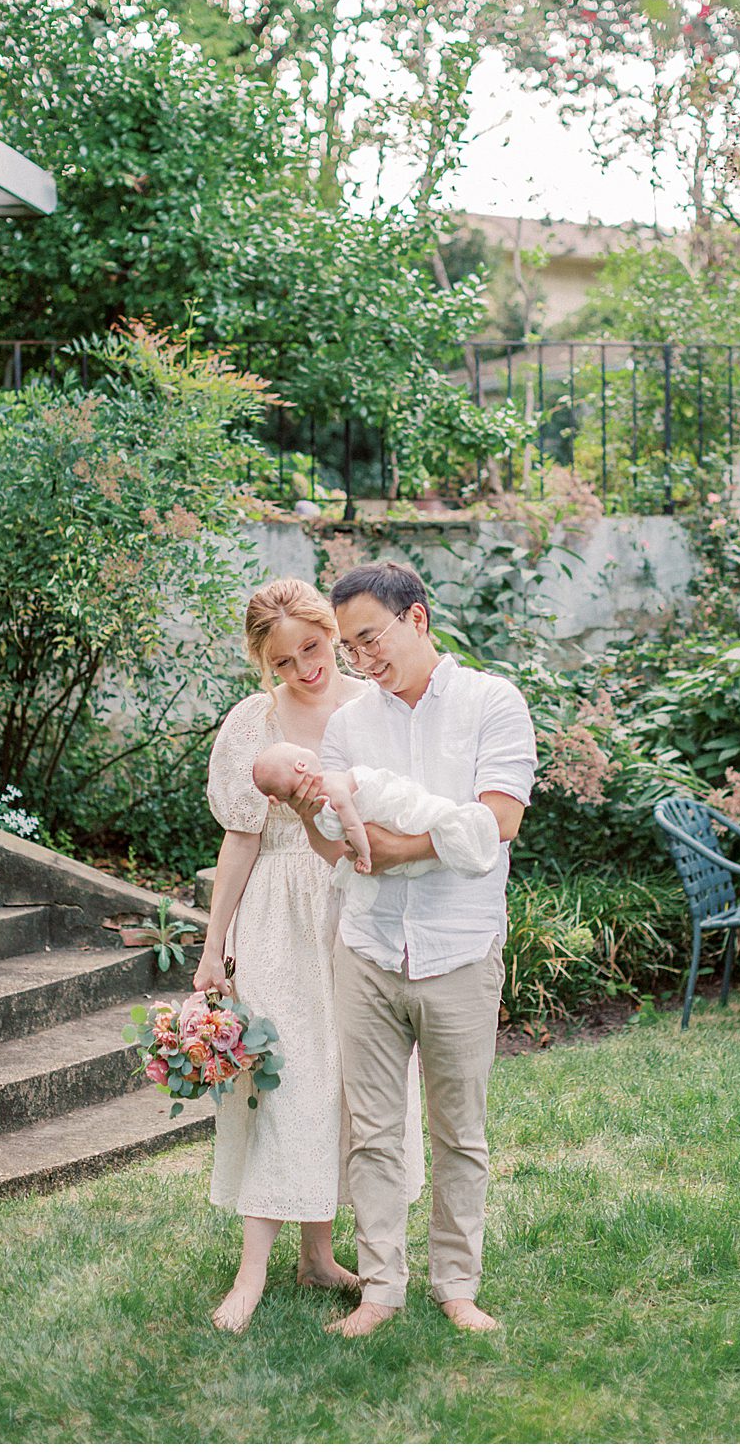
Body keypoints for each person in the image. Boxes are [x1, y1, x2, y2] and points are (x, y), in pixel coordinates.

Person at [296, 560, 537, 1338]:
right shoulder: (348, 725)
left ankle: (457, 1286)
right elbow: (337, 841)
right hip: (365, 946)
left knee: (459, 1130)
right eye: (351, 646)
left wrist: (393, 848)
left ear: (418, 620)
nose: (360, 661)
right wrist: (410, 835)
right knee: (370, 1130)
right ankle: (381, 1290)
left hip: (459, 948)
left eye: (370, 640)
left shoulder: (492, 703)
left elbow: (497, 823)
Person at [194, 577, 424, 1334]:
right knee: (283, 1081)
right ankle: (251, 1271)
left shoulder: (373, 709)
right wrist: (212, 946)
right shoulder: (250, 724)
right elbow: (240, 838)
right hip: (276, 920)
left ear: (334, 634)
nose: (305, 670)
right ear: (264, 663)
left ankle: (319, 1256)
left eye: (315, 650)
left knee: (348, 1080)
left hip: (356, 911)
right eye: (285, 661)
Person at [252, 739, 501, 893]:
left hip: (393, 799)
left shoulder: (331, 789)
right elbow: (351, 827)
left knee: (424, 815)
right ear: (301, 766)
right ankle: (457, 838)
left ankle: (455, 834)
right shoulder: (329, 790)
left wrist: (371, 853)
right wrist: (365, 853)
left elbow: (354, 824)